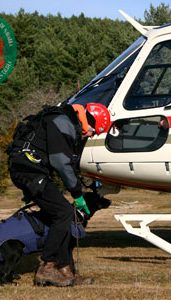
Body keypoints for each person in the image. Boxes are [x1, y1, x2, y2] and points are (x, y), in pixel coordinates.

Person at [7, 102, 110, 287]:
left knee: (62, 215)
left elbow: (65, 162)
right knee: (64, 213)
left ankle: (65, 271)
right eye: (95, 130)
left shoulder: (65, 119)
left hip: (28, 169)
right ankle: (47, 267)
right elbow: (61, 162)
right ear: (89, 121)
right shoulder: (64, 122)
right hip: (28, 171)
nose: (92, 134)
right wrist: (77, 193)